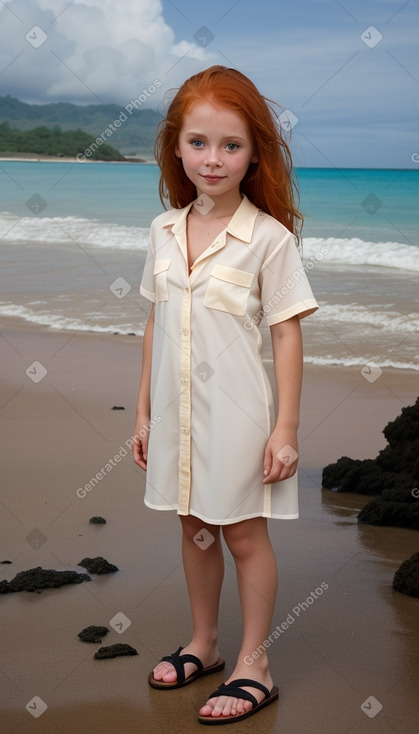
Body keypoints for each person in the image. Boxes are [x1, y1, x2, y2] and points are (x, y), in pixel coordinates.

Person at [132, 65, 318, 725]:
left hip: (240, 414)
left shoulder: (268, 240)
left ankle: (253, 665)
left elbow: (287, 336)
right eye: (199, 143)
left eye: (231, 145)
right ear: (176, 147)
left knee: (241, 533)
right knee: (194, 526)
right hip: (177, 412)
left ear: (254, 153)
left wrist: (286, 429)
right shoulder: (161, 230)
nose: (213, 159)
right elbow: (156, 323)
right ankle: (204, 644)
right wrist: (145, 413)